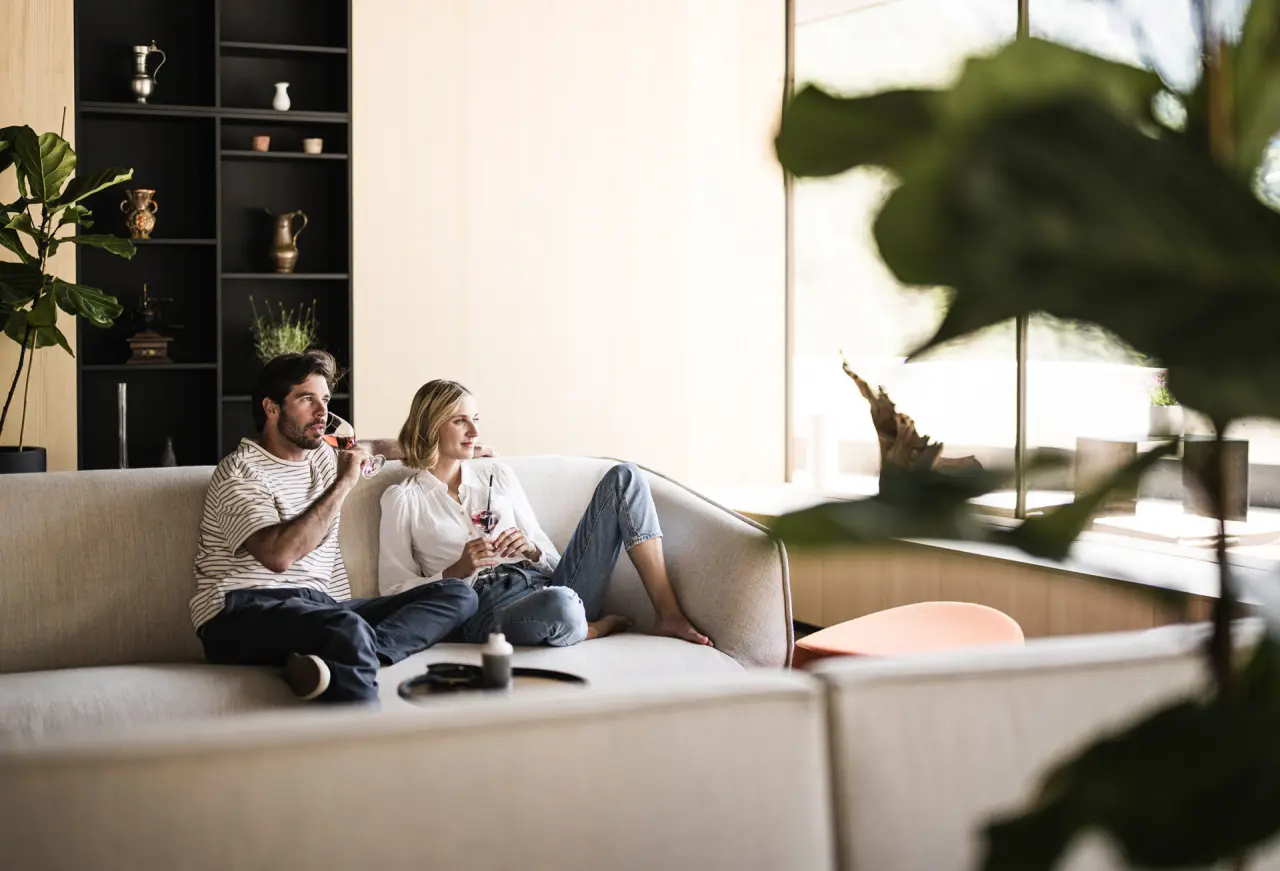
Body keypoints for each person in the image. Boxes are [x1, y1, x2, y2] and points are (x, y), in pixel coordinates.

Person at [190, 352, 478, 704]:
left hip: (320, 608)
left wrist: (450, 449)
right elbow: (279, 556)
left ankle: (345, 658)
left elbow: (372, 447)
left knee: (458, 594)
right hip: (242, 611)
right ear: (271, 408)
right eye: (306, 399)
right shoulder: (240, 472)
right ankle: (360, 714)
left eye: (325, 400)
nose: (322, 412)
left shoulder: (323, 456)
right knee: (347, 627)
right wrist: (343, 484)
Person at [378, 379, 711, 649]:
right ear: (432, 425)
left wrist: (531, 549)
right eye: (460, 421)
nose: (475, 433)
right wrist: (456, 570)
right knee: (562, 605)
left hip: (547, 584)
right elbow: (392, 591)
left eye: (475, 420)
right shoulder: (404, 500)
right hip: (486, 607)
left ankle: (668, 614)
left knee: (626, 477)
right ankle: (587, 628)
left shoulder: (497, 475)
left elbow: (549, 557)